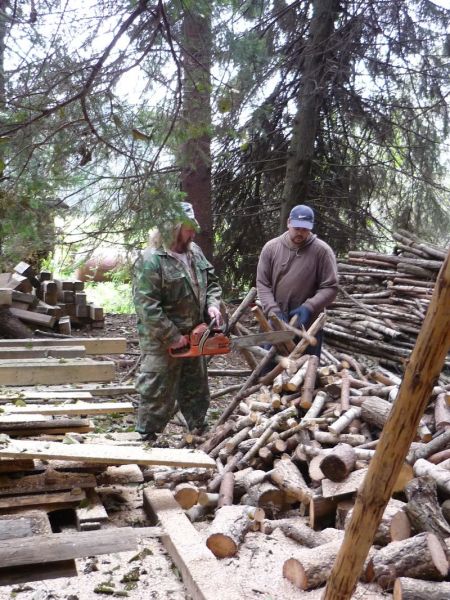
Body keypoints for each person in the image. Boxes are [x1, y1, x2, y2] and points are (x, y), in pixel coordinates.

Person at [132, 202, 222, 442]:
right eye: (187, 228)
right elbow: (147, 307)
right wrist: (173, 336)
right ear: (172, 228)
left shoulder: (196, 253)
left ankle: (199, 432)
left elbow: (212, 282)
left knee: (196, 388)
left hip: (195, 336)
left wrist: (213, 305)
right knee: (156, 390)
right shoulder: (150, 260)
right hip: (162, 341)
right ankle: (147, 439)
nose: (192, 233)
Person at [256, 204, 338, 357]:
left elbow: (331, 287)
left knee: (306, 375)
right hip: (275, 325)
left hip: (308, 326)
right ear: (288, 223)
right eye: (297, 228)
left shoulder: (322, 251)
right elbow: (263, 283)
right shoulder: (271, 248)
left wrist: (309, 307)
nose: (300, 233)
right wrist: (273, 311)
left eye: (305, 229)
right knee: (267, 373)